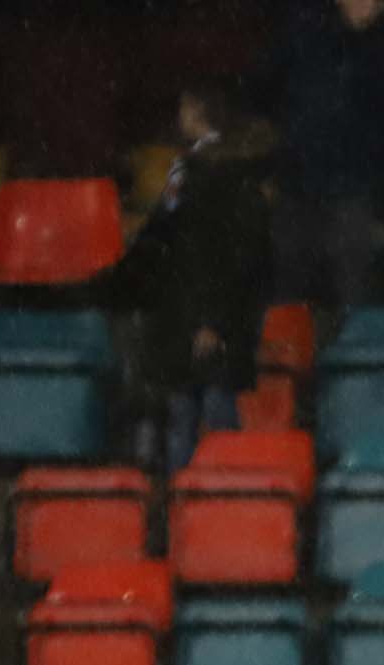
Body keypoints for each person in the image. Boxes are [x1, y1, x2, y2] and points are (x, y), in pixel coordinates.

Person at [109, 82, 271, 471]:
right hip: (197, 316)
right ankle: (206, 507)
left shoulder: (207, 169)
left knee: (204, 417)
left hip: (201, 316)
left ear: (196, 111)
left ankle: (205, 508)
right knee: (194, 415)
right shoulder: (237, 168)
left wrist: (211, 320)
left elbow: (220, 252)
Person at [269, 0, 384, 309]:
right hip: (300, 180)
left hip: (354, 187)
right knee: (291, 280)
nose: (369, 5)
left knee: (352, 281)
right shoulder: (304, 37)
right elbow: (269, 95)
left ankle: (351, 344)